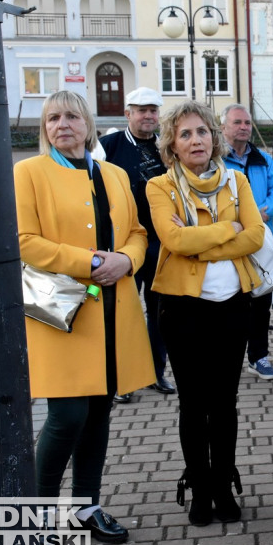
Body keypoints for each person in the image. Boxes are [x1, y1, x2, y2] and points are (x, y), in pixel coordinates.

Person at [14, 90, 155, 543]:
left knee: (98, 415)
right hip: (61, 311)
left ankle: (85, 507)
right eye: (53, 117)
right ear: (44, 128)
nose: (62, 124)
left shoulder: (112, 174)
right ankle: (36, 514)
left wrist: (127, 261)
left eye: (71, 116)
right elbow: (23, 240)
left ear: (88, 123)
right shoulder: (29, 173)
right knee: (67, 416)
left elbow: (136, 232)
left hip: (113, 310)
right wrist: (93, 263)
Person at [146, 100, 265, 526]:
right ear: (172, 146)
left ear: (215, 138)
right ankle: (199, 486)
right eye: (185, 134)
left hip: (232, 308)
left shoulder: (236, 180)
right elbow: (174, 241)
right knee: (194, 405)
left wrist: (203, 238)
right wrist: (223, 231)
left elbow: (253, 236)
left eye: (202, 132)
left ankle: (221, 483)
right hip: (182, 310)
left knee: (225, 403)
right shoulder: (160, 187)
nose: (195, 140)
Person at [98, 87, 175, 403]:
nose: (148, 116)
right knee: (122, 313)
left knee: (159, 315)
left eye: (153, 110)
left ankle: (155, 373)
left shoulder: (166, 147)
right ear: (127, 113)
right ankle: (121, 381)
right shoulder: (109, 146)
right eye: (141, 110)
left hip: (160, 243)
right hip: (124, 245)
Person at [222, 103, 273, 381]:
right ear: (223, 127)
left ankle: (259, 357)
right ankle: (228, 358)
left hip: (261, 241)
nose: (244, 127)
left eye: (247, 123)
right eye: (237, 122)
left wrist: (262, 212)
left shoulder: (262, 158)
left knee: (261, 302)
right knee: (231, 303)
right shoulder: (216, 161)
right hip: (229, 241)